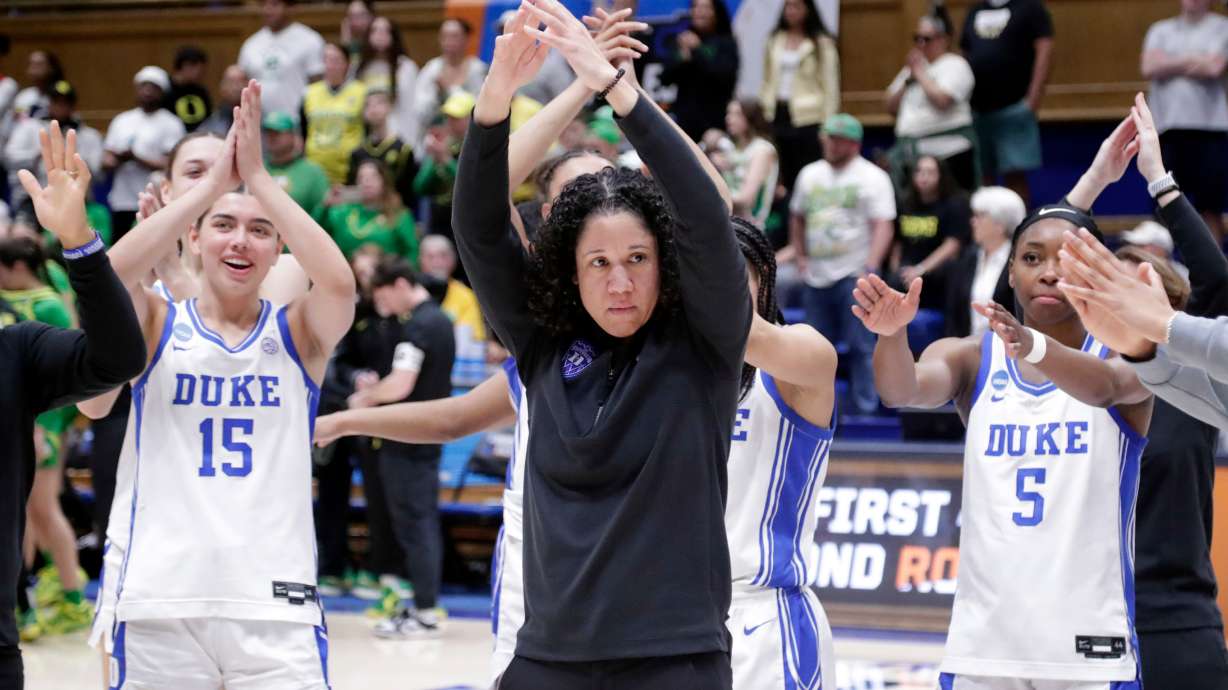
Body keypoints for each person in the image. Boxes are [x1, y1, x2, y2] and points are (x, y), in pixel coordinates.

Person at [457, 2, 748, 686]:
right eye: (599, 263)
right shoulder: (542, 344)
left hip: (675, 661)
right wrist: (495, 96)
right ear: (570, 268)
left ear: (664, 263)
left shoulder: (706, 341)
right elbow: (476, 223)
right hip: (548, 658)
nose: (620, 282)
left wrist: (621, 91)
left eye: (638, 260)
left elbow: (708, 216)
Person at [857, 143, 1154, 687]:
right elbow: (901, 388)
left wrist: (1035, 346)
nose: (1046, 273)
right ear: (1009, 273)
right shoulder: (973, 356)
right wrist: (891, 336)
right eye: (1031, 259)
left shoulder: (1126, 355)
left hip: (1088, 644)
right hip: (983, 646)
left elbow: (1109, 390)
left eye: (1064, 261)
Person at [100, 81, 353, 688]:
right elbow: (104, 281)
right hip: (163, 596)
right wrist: (212, 189)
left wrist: (258, 180)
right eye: (223, 226)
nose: (240, 239)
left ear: (277, 251)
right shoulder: (157, 320)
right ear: (194, 235)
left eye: (260, 230)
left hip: (274, 601)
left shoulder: (297, 330)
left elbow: (340, 284)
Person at [0, 121, 147, 690]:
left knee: (46, 509)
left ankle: (58, 592)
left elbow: (116, 358)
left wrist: (80, 243)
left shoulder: (17, 345)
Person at [343, 257, 455, 637]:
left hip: (408, 438)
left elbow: (401, 384)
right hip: (428, 434)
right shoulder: (440, 321)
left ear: (401, 284)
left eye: (385, 296)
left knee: (414, 524)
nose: (383, 306)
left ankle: (425, 611)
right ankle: (423, 606)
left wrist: (365, 401)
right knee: (418, 522)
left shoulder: (418, 327)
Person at [0, 238, 90, 638]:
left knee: (43, 512)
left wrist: (48, 429)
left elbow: (68, 372)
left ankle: (72, 599)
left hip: (44, 426)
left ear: (19, 267)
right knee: (30, 516)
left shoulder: (48, 304)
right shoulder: (19, 297)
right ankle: (30, 603)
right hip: (24, 422)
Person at [790, 113, 894, 415]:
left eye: (836, 139)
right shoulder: (810, 174)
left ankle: (867, 410)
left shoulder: (872, 177)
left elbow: (884, 224)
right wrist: (800, 255)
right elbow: (797, 216)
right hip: (816, 275)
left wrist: (871, 265)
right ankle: (816, 411)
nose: (829, 144)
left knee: (862, 346)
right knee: (815, 349)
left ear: (853, 143)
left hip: (854, 273)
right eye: (827, 137)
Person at [1141, 0, 1228, 242]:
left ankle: (1217, 274)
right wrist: (1194, 60)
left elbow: (1214, 67)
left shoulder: (1223, 27)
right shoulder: (1160, 30)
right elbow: (1148, 66)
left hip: (1210, 129)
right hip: (1166, 130)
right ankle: (1163, 270)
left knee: (1210, 206)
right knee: (1163, 204)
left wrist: (1168, 62)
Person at [960, 0, 1053, 202]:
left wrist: (1033, 99)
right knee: (983, 176)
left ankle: (1018, 228)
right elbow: (965, 53)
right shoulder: (975, 11)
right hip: (977, 109)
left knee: (1015, 176)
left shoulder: (1030, 8)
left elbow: (1044, 51)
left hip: (1014, 107)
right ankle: (988, 228)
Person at [885, 5, 977, 193]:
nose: (921, 44)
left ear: (944, 39)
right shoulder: (913, 69)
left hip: (948, 153)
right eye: (917, 38)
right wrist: (908, 79)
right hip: (912, 154)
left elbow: (943, 101)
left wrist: (920, 75)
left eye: (926, 39)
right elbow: (889, 106)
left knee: (951, 207)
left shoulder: (955, 65)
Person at [759, 0, 839, 194]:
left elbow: (831, 86)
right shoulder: (775, 39)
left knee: (807, 172)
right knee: (782, 172)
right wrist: (764, 105)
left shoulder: (822, 42)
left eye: (797, 6)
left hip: (809, 116)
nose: (791, 11)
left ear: (808, 10)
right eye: (788, 6)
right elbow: (767, 79)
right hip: (778, 112)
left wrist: (828, 124)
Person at [102, 66, 185, 242]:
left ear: (162, 92)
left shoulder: (171, 123)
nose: (147, 91)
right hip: (122, 199)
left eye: (153, 87)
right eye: (143, 86)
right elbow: (106, 157)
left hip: (156, 199)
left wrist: (136, 158)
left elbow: (172, 164)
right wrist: (115, 160)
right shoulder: (122, 120)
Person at [5, 80, 103, 218]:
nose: (60, 107)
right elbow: (9, 157)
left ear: (73, 106)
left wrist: (75, 159)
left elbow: (98, 174)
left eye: (65, 103)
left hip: (77, 201)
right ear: (49, 103)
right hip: (32, 200)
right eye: (56, 102)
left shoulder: (89, 135)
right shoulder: (29, 127)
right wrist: (39, 155)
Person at [889, 155, 969, 312]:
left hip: (937, 270)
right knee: (892, 281)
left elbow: (953, 244)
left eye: (930, 172)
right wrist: (895, 269)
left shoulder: (955, 203)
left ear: (941, 175)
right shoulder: (905, 203)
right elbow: (897, 242)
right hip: (907, 269)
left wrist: (921, 269)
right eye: (919, 171)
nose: (924, 177)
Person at [944, 185, 1024, 337]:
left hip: (1005, 349)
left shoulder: (1019, 261)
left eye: (980, 216)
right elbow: (953, 313)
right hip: (967, 349)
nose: (973, 221)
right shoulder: (968, 258)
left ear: (1000, 224)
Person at [657, 0, 739, 143]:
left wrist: (697, 50)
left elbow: (723, 76)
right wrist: (682, 58)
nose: (699, 12)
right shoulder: (683, 40)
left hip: (714, 122)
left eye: (705, 8)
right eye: (695, 7)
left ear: (716, 12)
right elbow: (664, 78)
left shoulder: (726, 43)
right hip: (684, 121)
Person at [237, 0, 325, 117]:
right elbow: (242, 82)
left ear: (290, 9)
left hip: (295, 124)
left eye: (274, 4)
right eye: (264, 5)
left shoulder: (310, 40)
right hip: (259, 124)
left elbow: (318, 85)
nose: (267, 10)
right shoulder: (251, 44)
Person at [322, 158, 417, 263]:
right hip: (346, 274)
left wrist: (405, 277)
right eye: (361, 178)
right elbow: (317, 231)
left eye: (373, 177)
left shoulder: (399, 215)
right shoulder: (343, 212)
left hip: (387, 275)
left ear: (384, 182)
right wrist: (325, 206)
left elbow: (412, 251)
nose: (366, 182)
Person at [412, 18, 487, 147]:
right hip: (434, 141)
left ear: (466, 39)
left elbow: (481, 110)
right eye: (444, 36)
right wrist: (436, 96)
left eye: (454, 36)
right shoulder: (431, 70)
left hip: (470, 142)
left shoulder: (478, 70)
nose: (449, 42)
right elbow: (420, 113)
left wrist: (448, 91)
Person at [303, 43, 368, 185]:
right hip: (315, 170)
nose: (330, 65)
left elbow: (368, 130)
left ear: (347, 64)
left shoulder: (361, 92)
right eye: (326, 60)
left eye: (336, 60)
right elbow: (302, 130)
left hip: (348, 172)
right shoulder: (310, 93)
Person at [414, 92, 471, 239]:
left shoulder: (477, 149)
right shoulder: (444, 145)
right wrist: (434, 158)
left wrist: (446, 160)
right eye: (449, 117)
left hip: (466, 221)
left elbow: (469, 186)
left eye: (456, 118)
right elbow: (419, 187)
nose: (450, 122)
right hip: (439, 220)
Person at [347, 89, 417, 208]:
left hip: (395, 214)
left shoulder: (403, 150)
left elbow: (409, 191)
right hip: (365, 215)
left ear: (389, 107)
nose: (373, 109)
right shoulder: (358, 152)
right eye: (368, 105)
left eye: (379, 103)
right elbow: (354, 188)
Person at [356, 16, 420, 145]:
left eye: (385, 31)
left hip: (398, 133)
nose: (380, 35)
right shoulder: (359, 67)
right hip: (367, 135)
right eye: (375, 30)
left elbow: (410, 108)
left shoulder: (405, 67)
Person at [718, 99, 778, 230]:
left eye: (737, 114)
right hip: (728, 222)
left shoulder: (762, 150)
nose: (729, 119)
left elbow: (746, 199)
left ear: (750, 117)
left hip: (751, 228)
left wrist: (712, 191)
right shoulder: (731, 150)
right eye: (728, 113)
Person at [263, 111, 330, 219]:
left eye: (278, 133)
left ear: (293, 136)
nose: (272, 137)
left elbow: (323, 214)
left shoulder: (313, 173)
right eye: (269, 133)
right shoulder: (258, 169)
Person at [419, 234, 484, 343]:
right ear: (421, 260)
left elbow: (472, 337)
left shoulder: (466, 295)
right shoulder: (411, 293)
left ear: (454, 259)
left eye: (443, 256)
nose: (437, 263)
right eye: (430, 257)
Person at [164, 46, 212, 133]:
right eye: (198, 70)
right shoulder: (165, 90)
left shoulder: (201, 92)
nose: (200, 75)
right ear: (186, 66)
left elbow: (208, 120)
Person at [12, 50, 63, 121]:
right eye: (31, 64)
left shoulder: (61, 95)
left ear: (52, 68)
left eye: (39, 64)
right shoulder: (23, 96)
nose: (34, 69)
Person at [198, 65, 246, 137]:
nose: (236, 87)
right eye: (231, 82)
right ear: (222, 87)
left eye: (241, 81)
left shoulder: (259, 119)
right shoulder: (210, 125)